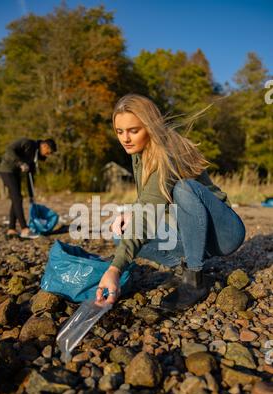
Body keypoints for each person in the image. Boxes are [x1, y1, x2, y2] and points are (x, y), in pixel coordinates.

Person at [96, 94, 246, 313]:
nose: (125, 138)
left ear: (150, 126)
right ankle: (185, 268)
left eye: (133, 130)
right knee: (121, 233)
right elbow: (148, 199)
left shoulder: (167, 152)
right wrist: (130, 212)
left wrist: (115, 270)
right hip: (192, 233)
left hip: (224, 233)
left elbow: (148, 214)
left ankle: (195, 279)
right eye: (120, 132)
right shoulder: (139, 151)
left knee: (184, 188)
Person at [0, 138, 57, 239]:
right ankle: (24, 229)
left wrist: (31, 196)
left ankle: (11, 229)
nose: (47, 155)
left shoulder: (33, 156)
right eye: (49, 152)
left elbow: (30, 176)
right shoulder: (29, 144)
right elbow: (9, 150)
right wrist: (20, 163)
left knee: (16, 199)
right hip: (7, 170)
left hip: (15, 173)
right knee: (17, 198)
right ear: (44, 146)